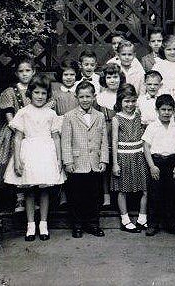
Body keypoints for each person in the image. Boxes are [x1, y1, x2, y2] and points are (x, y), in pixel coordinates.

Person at [4, 74, 65, 241]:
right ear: (30, 93)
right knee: (29, 190)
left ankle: (43, 224)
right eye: (36, 93)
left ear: (48, 95)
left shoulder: (51, 113)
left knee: (45, 189)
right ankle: (31, 225)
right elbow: (17, 137)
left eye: (43, 93)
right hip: (29, 152)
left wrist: (59, 159)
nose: (40, 96)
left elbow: (56, 137)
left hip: (46, 153)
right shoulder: (23, 112)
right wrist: (17, 159)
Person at [61, 81, 108, 238]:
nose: (85, 99)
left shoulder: (99, 116)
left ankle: (93, 224)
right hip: (77, 163)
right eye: (81, 97)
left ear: (94, 97)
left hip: (94, 163)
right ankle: (77, 225)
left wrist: (103, 160)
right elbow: (66, 141)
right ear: (76, 97)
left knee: (94, 195)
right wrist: (68, 161)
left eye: (88, 96)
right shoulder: (69, 116)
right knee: (76, 196)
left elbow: (104, 140)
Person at [0, 57, 34, 213]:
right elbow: (10, 117)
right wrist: (21, 132)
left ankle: (34, 197)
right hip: (17, 132)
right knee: (18, 163)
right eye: (21, 71)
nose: (25, 74)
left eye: (28, 71)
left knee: (33, 164)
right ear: (16, 73)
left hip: (35, 134)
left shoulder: (37, 89)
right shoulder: (10, 92)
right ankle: (19, 199)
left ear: (33, 72)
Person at [142, 94, 175, 237]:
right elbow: (146, 147)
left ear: (173, 111)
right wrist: (152, 166)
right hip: (157, 162)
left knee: (173, 194)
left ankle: (174, 224)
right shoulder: (152, 127)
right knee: (155, 194)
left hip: (172, 162)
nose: (166, 113)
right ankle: (153, 224)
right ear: (157, 110)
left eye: (169, 110)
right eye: (163, 110)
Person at [111, 84, 150, 233]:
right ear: (120, 101)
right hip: (123, 157)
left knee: (145, 189)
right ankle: (125, 219)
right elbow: (114, 141)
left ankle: (142, 218)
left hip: (139, 155)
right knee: (123, 190)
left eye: (132, 101)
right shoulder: (117, 119)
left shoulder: (139, 115)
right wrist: (115, 163)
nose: (130, 104)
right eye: (126, 101)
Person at [96, 63, 125, 208]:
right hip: (106, 132)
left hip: (122, 132)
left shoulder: (124, 95)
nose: (112, 80)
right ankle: (106, 196)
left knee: (121, 162)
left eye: (115, 77)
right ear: (104, 79)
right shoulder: (100, 97)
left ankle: (122, 193)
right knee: (106, 164)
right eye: (109, 77)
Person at [153, 34, 175, 101]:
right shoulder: (159, 65)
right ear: (163, 51)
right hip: (163, 98)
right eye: (168, 49)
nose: (172, 52)